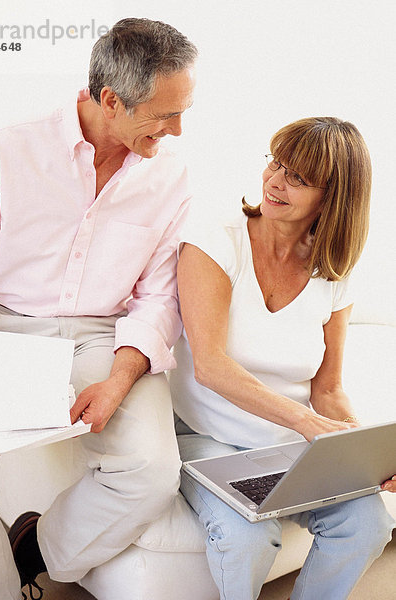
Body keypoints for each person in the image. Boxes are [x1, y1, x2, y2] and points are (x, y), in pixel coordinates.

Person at [0, 18, 197, 600]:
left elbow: (158, 296)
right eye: (165, 114)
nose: (179, 128)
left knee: (150, 474)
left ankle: (36, 553)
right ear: (111, 99)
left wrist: (121, 377)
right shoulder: (8, 149)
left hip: (103, 335)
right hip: (4, 325)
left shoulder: (171, 175)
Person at [170, 117, 396, 600]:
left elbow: (328, 388)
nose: (274, 180)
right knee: (249, 539)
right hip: (207, 439)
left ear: (332, 197)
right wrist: (307, 424)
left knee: (368, 524)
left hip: (288, 444)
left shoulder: (334, 271)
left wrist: (360, 450)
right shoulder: (214, 242)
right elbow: (209, 364)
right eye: (276, 163)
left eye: (297, 177)